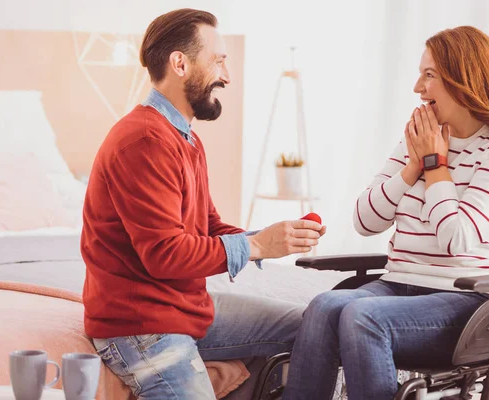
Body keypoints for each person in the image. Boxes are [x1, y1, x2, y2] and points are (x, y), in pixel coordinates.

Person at [81, 8, 325, 399]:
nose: (226, 76)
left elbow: (207, 225)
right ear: (180, 63)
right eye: (218, 60)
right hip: (141, 326)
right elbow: (164, 253)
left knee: (318, 325)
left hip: (183, 309)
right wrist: (259, 246)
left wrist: (270, 237)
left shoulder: (183, 138)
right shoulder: (145, 141)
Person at [283, 25, 489, 400]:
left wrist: (435, 166)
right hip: (398, 286)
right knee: (324, 307)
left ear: (464, 79)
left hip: (467, 300)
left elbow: (458, 240)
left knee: (362, 318)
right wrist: (411, 168)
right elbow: (365, 220)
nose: (417, 88)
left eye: (429, 75)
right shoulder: (418, 141)